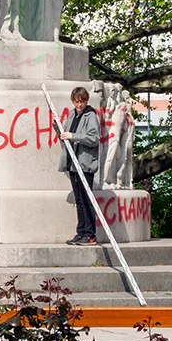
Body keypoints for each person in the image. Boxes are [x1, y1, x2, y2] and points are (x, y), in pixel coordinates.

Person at [59, 87, 104, 245]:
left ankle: (90, 234)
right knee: (79, 200)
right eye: (77, 101)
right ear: (73, 101)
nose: (80, 104)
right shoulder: (72, 114)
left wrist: (73, 136)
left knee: (86, 199)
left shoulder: (91, 115)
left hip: (85, 164)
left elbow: (94, 138)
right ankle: (81, 232)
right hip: (73, 164)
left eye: (82, 101)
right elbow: (66, 133)